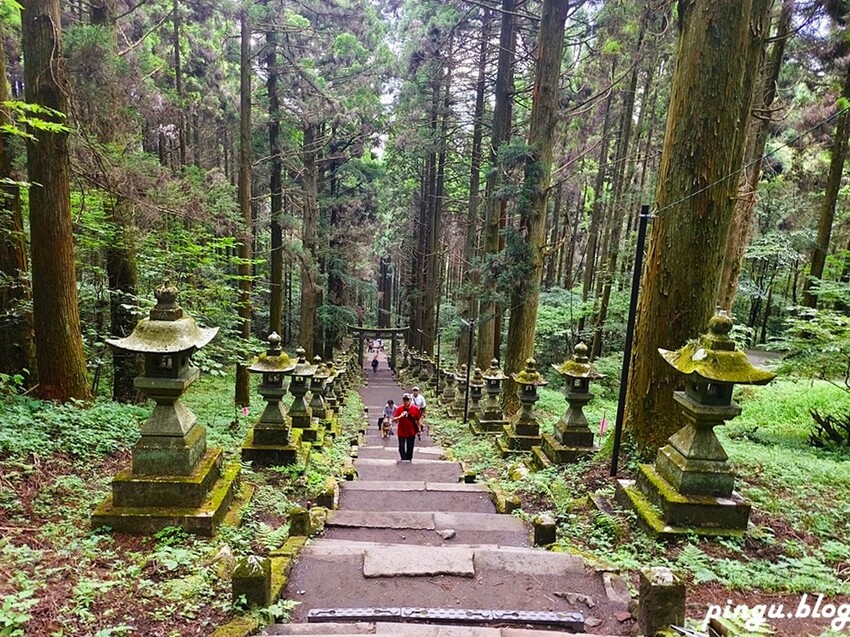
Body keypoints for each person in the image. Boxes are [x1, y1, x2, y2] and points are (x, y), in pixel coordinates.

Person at [392, 393, 420, 461]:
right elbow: (394, 419)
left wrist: (419, 430)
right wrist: (400, 416)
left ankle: (408, 459)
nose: (406, 401)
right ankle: (403, 459)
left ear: (410, 400)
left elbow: (418, 420)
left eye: (407, 400)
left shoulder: (415, 409)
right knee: (401, 447)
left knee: (410, 447)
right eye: (404, 400)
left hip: (411, 431)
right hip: (401, 431)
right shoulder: (399, 409)